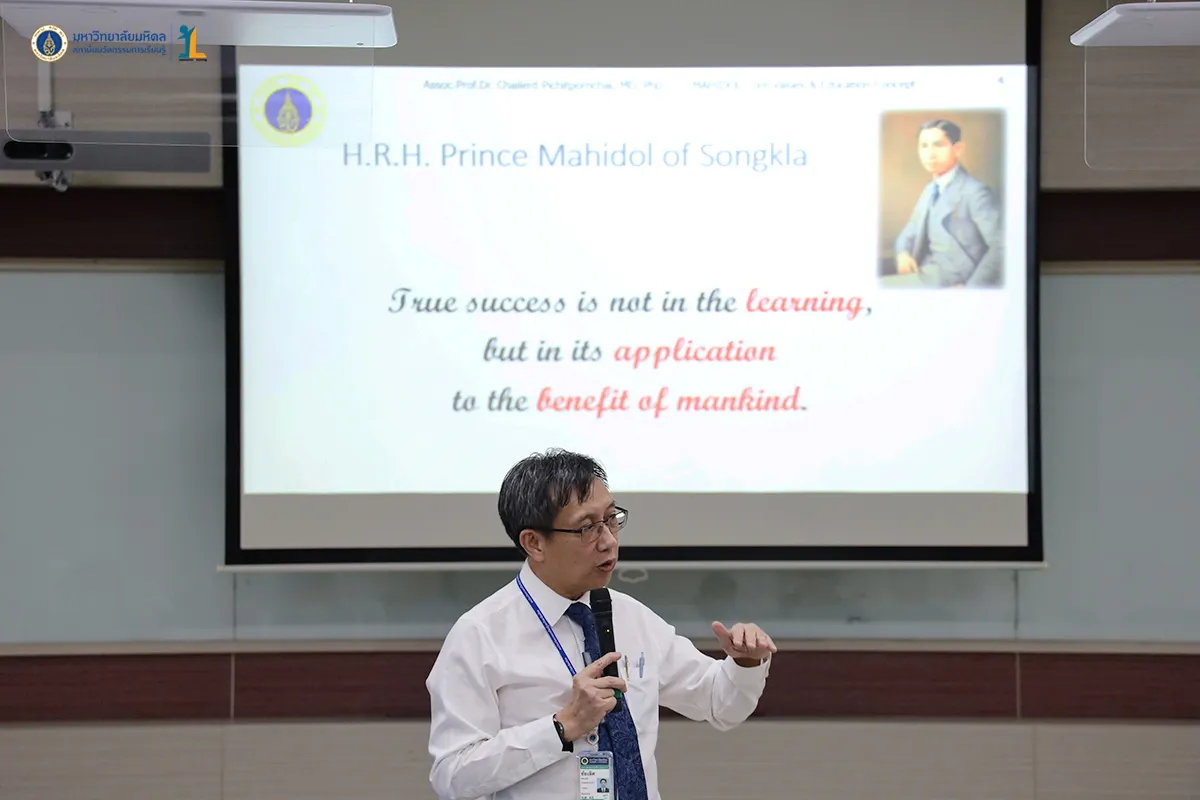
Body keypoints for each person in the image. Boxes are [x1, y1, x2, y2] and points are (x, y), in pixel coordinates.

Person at [426, 448, 776, 800]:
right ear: (534, 543)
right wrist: (561, 727)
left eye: (611, 519)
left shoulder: (631, 616)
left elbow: (720, 703)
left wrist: (745, 662)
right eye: (587, 528)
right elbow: (452, 776)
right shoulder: (480, 634)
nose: (608, 541)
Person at [890, 118, 1003, 289]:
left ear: (958, 149)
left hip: (956, 283)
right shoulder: (929, 190)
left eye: (938, 145)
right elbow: (908, 232)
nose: (930, 154)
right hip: (925, 274)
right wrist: (903, 254)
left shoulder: (975, 192)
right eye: (924, 146)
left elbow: (1002, 246)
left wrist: (971, 290)